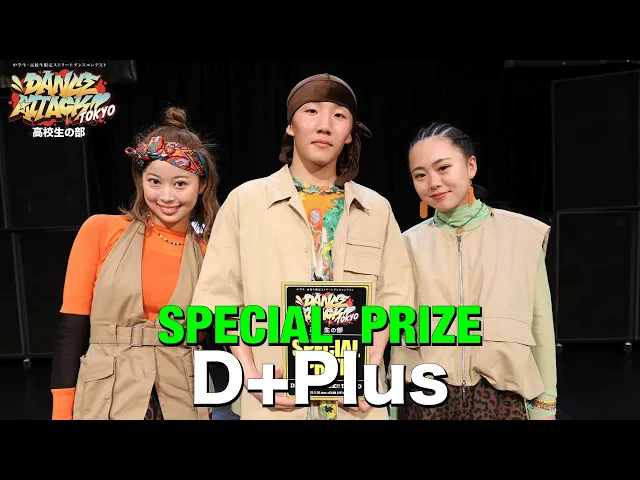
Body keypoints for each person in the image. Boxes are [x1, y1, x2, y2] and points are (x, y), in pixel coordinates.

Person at [190, 73, 415, 420]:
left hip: (355, 405)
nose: (324, 125)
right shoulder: (246, 203)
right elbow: (221, 298)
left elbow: (394, 299)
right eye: (311, 111)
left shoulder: (375, 209)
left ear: (350, 133)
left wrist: (369, 372)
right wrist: (252, 377)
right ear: (291, 126)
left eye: (338, 115)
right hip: (275, 399)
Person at [49, 107, 220, 420]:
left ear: (202, 185)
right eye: (155, 181)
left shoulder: (209, 253)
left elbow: (228, 331)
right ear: (141, 180)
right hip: (108, 398)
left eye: (180, 184)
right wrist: (61, 412)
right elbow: (70, 331)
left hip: (182, 399)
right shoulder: (101, 231)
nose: (166, 196)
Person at [391, 122, 557, 420]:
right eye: (420, 175)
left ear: (471, 166)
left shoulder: (522, 234)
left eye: (443, 168)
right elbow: (395, 328)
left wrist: (546, 403)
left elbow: (540, 322)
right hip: (425, 398)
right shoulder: (404, 245)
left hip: (502, 399)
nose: (433, 182)